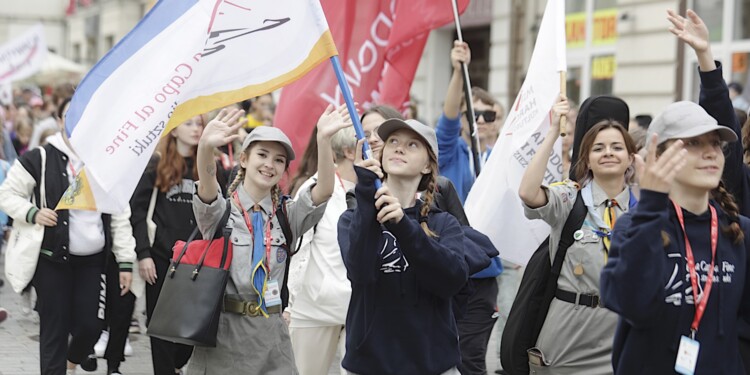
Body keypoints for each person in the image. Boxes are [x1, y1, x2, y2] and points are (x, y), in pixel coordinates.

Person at [189, 104, 350, 373]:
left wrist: (323, 140)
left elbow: (323, 190)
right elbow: (207, 188)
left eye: (278, 160)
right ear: (243, 159)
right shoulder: (222, 212)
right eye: (262, 155)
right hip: (223, 336)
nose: (269, 164)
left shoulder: (287, 215)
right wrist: (205, 147)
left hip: (271, 339)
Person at [0, 98, 136, 375]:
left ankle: (71, 363)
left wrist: (124, 261)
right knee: (54, 329)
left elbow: (120, 213)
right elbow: (7, 194)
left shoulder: (104, 161)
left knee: (91, 327)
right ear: (61, 120)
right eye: (71, 116)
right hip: (52, 260)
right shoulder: (39, 157)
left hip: (93, 261)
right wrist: (33, 213)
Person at [337, 118, 469, 375]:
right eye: (393, 142)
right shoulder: (352, 218)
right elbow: (360, 272)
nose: (399, 148)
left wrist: (403, 226)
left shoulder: (443, 223)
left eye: (412, 145)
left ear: (428, 165)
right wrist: (365, 197)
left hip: (432, 366)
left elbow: (451, 281)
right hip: (368, 366)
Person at [518, 95, 637, 374]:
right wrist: (552, 133)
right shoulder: (570, 198)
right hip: (568, 334)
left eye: (617, 147)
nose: (608, 152)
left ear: (631, 157)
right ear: (588, 159)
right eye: (599, 148)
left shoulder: (644, 207)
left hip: (620, 334)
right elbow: (528, 193)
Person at [129, 114, 219, 375]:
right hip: (160, 259)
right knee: (160, 326)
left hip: (197, 260)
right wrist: (143, 254)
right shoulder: (157, 165)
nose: (195, 129)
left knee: (191, 328)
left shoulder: (207, 166)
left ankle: (177, 366)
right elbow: (137, 212)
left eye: (199, 124)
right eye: (188, 123)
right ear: (175, 130)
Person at [287, 126, 357, 375]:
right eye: (368, 139)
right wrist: (289, 303)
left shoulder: (381, 188)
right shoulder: (316, 186)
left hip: (361, 309)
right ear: (349, 150)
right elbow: (295, 243)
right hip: (314, 309)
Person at [436, 40, 504, 203]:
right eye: (473, 114)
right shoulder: (449, 151)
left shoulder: (498, 158)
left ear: (495, 122)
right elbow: (448, 121)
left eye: (488, 115)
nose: (480, 120)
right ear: (461, 118)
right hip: (453, 227)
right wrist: (459, 72)